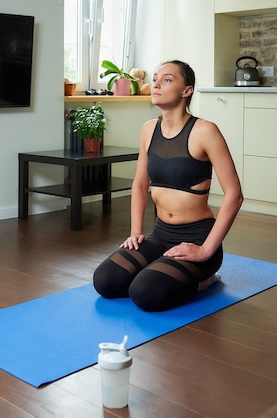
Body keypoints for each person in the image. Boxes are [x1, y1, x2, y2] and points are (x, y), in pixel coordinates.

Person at [93, 60, 243, 312]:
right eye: (155, 78)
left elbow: (234, 196)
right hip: (160, 236)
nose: (157, 84)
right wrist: (135, 232)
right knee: (105, 282)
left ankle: (203, 281)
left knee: (144, 293)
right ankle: (161, 271)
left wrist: (206, 250)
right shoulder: (148, 130)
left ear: (187, 90)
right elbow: (140, 184)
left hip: (196, 239)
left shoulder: (205, 131)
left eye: (167, 79)